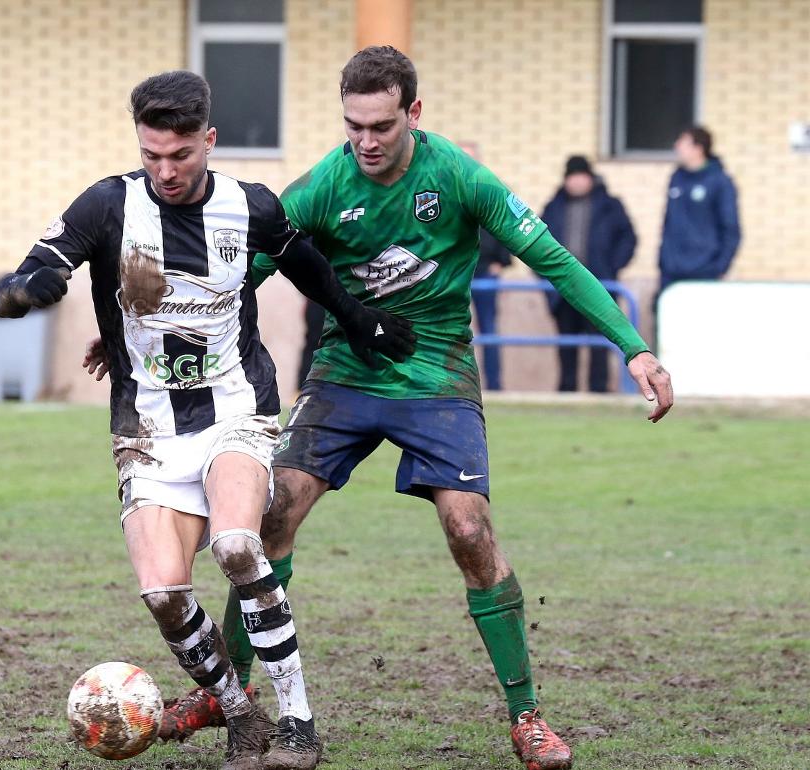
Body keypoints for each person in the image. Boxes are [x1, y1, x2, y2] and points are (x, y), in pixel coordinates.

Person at [141, 46, 674, 770]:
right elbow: (240, 273)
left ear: (412, 114)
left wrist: (632, 346)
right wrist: (152, 336)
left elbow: (551, 258)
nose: (365, 140)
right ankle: (223, 693)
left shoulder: (456, 176)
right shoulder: (323, 187)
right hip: (344, 373)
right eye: (354, 125)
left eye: (381, 126)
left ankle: (527, 717)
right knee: (272, 516)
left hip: (437, 375)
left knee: (469, 530)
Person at [0, 70, 415, 770]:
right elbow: (45, 264)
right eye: (152, 155)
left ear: (209, 141)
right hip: (147, 428)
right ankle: (239, 714)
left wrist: (358, 317)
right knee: (163, 592)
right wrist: (26, 289)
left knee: (237, 547)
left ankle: (297, 722)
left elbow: (307, 265)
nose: (166, 170)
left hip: (236, 408)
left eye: (180, 155)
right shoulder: (107, 204)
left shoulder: (249, 205)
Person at [541, 155, 637, 392]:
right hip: (563, 289)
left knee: (599, 343)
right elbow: (535, 243)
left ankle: (599, 390)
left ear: (590, 178)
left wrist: (612, 267)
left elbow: (628, 239)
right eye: (571, 177)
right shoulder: (554, 207)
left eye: (581, 176)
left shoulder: (610, 205)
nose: (576, 182)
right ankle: (567, 390)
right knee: (566, 344)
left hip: (600, 286)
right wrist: (546, 276)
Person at [658, 126, 741, 294]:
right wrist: (664, 260)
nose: (677, 147)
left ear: (698, 148)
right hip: (672, 271)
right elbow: (669, 223)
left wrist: (720, 267)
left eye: (683, 143)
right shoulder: (676, 178)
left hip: (704, 272)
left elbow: (731, 228)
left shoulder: (720, 182)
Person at [458, 142, 511, 391]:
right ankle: (453, 384)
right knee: (452, 331)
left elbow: (507, 227)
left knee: (489, 331)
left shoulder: (489, 190)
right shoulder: (442, 191)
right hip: (454, 272)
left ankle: (495, 385)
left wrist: (502, 261)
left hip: (486, 271)